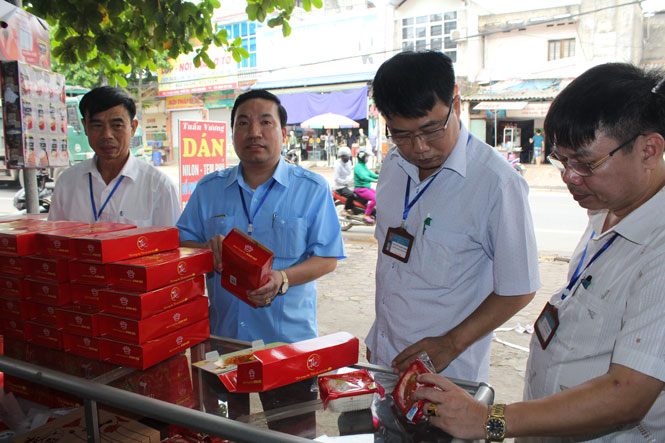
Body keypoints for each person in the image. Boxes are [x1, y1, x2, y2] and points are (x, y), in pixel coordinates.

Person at [412, 63, 665, 442]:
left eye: (585, 163)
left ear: (649, 149)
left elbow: (627, 395)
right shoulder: (604, 208)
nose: (569, 178)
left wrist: (489, 419)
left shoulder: (658, 246)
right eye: (562, 161)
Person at [365, 51, 540, 383]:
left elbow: (519, 287)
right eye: (401, 134)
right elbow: (391, 266)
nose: (419, 147)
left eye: (431, 129)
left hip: (448, 375)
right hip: (386, 360)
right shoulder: (392, 165)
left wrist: (451, 343)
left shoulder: (496, 183)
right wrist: (380, 337)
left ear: (456, 103)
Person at [177, 89, 345, 344]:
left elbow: (327, 258)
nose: (254, 132)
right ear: (232, 133)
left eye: (266, 122)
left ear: (284, 133)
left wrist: (282, 277)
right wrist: (205, 250)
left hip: (289, 344)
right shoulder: (208, 189)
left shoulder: (312, 188)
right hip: (224, 340)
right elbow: (181, 246)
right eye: (243, 123)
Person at [48, 86, 180, 227]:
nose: (107, 135)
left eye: (116, 125)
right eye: (97, 125)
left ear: (133, 127)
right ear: (85, 127)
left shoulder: (159, 187)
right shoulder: (67, 182)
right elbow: (56, 239)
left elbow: (172, 243)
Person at [353, 150, 377, 224]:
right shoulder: (357, 167)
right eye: (366, 157)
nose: (367, 159)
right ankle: (366, 215)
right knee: (375, 199)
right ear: (362, 157)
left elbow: (371, 174)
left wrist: (381, 176)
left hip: (367, 188)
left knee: (380, 195)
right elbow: (363, 177)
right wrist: (374, 180)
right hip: (360, 189)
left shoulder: (364, 166)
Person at [333, 146, 357, 215]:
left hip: (349, 184)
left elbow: (349, 174)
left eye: (346, 156)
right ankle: (345, 210)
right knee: (351, 195)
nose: (345, 158)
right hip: (340, 186)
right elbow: (336, 178)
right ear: (340, 157)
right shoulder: (338, 165)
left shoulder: (349, 162)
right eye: (343, 156)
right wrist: (345, 182)